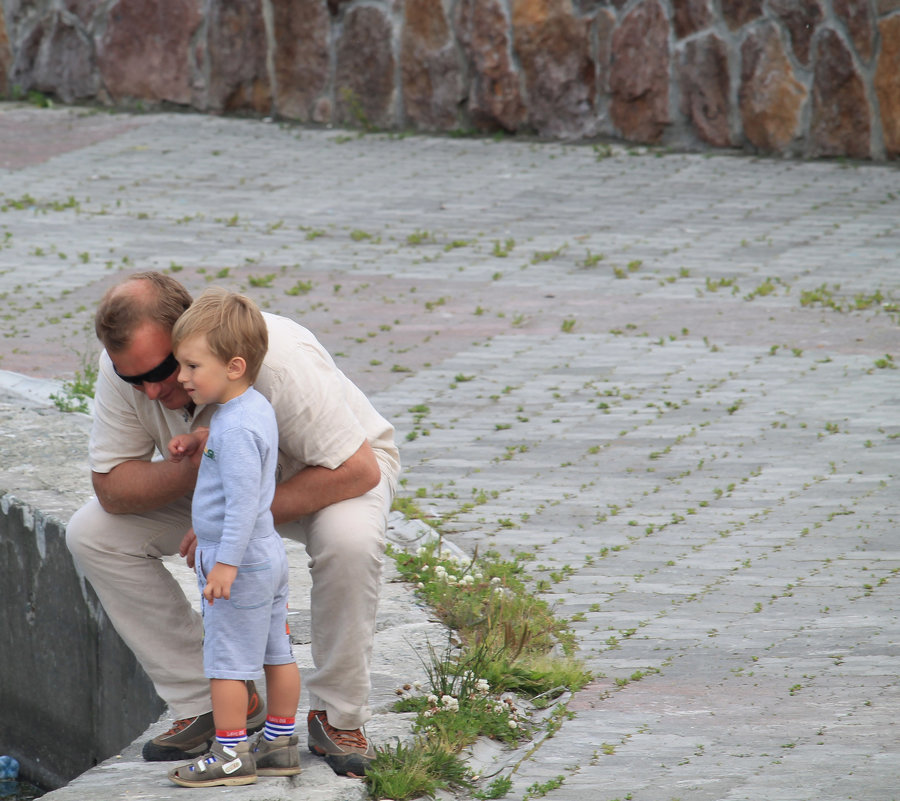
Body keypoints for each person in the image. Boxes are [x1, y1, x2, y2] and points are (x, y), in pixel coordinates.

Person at [66, 271, 400, 778]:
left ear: (186, 334)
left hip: (331, 475)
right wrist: (199, 470)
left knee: (348, 543)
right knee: (92, 535)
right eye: (134, 379)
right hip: (221, 492)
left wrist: (236, 522)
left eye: (162, 369)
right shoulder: (126, 368)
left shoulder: (279, 358)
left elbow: (358, 469)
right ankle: (211, 704)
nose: (152, 391)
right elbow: (112, 488)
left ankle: (337, 717)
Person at [164, 289, 301, 787]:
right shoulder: (253, 408)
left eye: (192, 366)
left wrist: (225, 563)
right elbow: (244, 481)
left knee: (225, 663)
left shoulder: (233, 429)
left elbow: (243, 502)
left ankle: (229, 754)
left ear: (235, 365)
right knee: (275, 653)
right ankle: (281, 743)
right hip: (267, 555)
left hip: (238, 562)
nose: (181, 378)